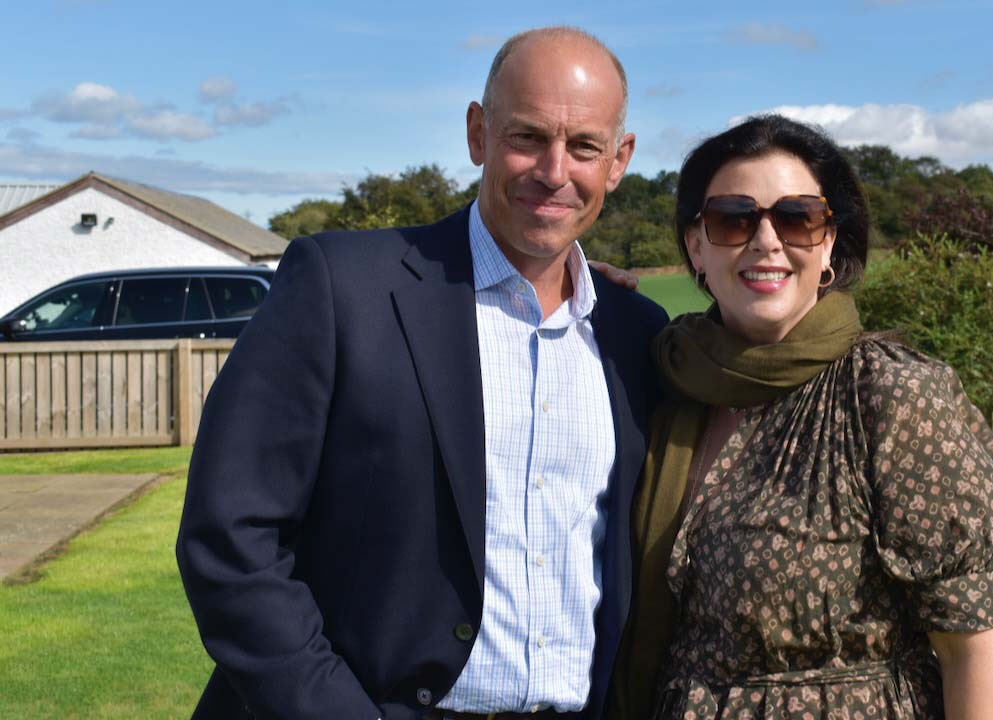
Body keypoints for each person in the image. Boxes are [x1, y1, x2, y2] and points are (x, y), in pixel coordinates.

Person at [176, 27, 667, 720]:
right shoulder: (340, 288)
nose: (555, 171)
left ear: (619, 161)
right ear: (478, 133)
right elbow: (230, 536)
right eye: (528, 137)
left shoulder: (636, 338)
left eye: (584, 146)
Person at [612, 115, 993, 720]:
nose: (766, 240)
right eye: (733, 218)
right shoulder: (665, 381)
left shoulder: (892, 395)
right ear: (696, 245)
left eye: (796, 217)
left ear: (828, 242)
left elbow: (977, 650)